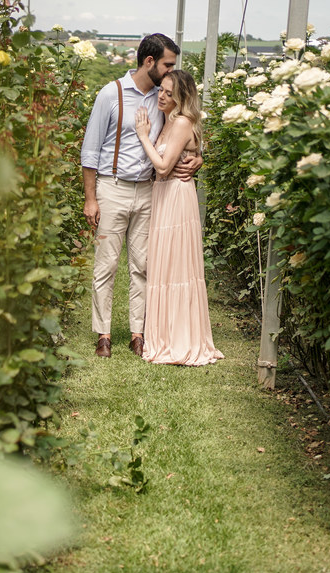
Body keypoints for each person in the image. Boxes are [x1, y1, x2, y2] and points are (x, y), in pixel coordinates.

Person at [80, 33, 201, 359]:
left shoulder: (164, 98)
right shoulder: (111, 94)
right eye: (167, 64)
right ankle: (103, 334)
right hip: (113, 188)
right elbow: (90, 151)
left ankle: (138, 334)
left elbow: (184, 135)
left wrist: (197, 158)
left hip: (150, 191)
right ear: (150, 62)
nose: (170, 71)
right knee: (106, 265)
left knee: (143, 266)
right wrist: (91, 199)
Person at [133, 68, 224, 366]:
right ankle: (165, 334)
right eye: (161, 90)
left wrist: (143, 136)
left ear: (182, 97)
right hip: (163, 195)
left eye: (169, 93)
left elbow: (162, 166)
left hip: (175, 195)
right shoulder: (169, 120)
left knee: (178, 266)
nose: (162, 96)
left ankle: (180, 338)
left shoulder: (182, 122)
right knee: (164, 265)